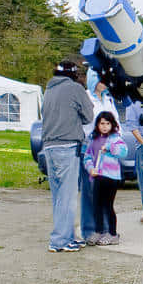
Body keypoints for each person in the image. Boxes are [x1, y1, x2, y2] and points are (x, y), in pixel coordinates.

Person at [41, 59, 93, 252]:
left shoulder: (48, 90)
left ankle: (66, 236)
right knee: (68, 196)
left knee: (58, 196)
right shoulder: (75, 88)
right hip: (68, 145)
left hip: (49, 147)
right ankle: (60, 241)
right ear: (73, 74)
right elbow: (89, 116)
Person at [84, 111, 128, 245]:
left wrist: (109, 147)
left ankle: (113, 234)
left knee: (108, 205)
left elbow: (123, 151)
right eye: (102, 123)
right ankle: (99, 231)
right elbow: (87, 156)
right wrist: (90, 168)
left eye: (107, 123)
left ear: (112, 124)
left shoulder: (115, 138)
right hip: (98, 176)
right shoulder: (93, 139)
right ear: (97, 124)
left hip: (111, 177)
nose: (104, 126)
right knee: (97, 205)